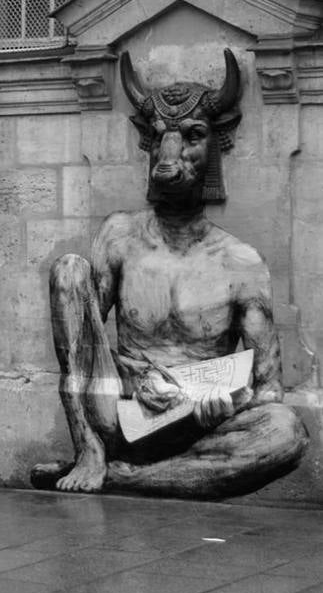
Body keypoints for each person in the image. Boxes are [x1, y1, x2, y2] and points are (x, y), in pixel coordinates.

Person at [31, 50, 308, 499]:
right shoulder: (120, 235)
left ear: (215, 143)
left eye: (191, 136)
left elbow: (268, 389)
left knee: (286, 432)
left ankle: (126, 478)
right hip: (119, 408)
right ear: (150, 144)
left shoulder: (243, 262)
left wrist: (220, 405)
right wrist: (123, 395)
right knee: (67, 270)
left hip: (196, 427)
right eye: (160, 138)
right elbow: (81, 342)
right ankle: (89, 452)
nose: (170, 153)